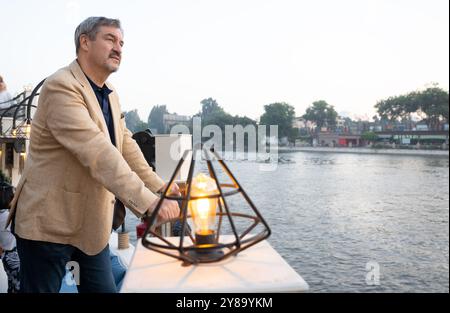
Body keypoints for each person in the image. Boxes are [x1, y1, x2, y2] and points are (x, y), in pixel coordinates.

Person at [6, 16, 180, 293]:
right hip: (47, 224)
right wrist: (149, 203)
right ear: (84, 42)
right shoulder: (61, 86)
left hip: (90, 225)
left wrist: (162, 187)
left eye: (121, 42)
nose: (119, 48)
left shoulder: (110, 94)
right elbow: (97, 152)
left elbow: (126, 146)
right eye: (110, 39)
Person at [0, 174, 20, 293]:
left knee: (12, 283)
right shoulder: (8, 217)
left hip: (7, 256)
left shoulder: (3, 215)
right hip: (15, 256)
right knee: (18, 285)